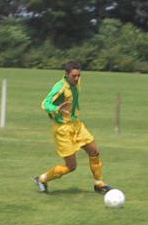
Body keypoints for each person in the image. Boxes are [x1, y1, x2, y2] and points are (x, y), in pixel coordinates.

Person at [34, 61, 113, 194]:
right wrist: (56, 108)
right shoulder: (60, 87)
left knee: (94, 151)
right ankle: (42, 179)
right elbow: (45, 103)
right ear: (66, 74)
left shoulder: (77, 82)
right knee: (71, 166)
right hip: (62, 129)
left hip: (76, 125)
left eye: (78, 75)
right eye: (74, 76)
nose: (77, 78)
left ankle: (99, 184)